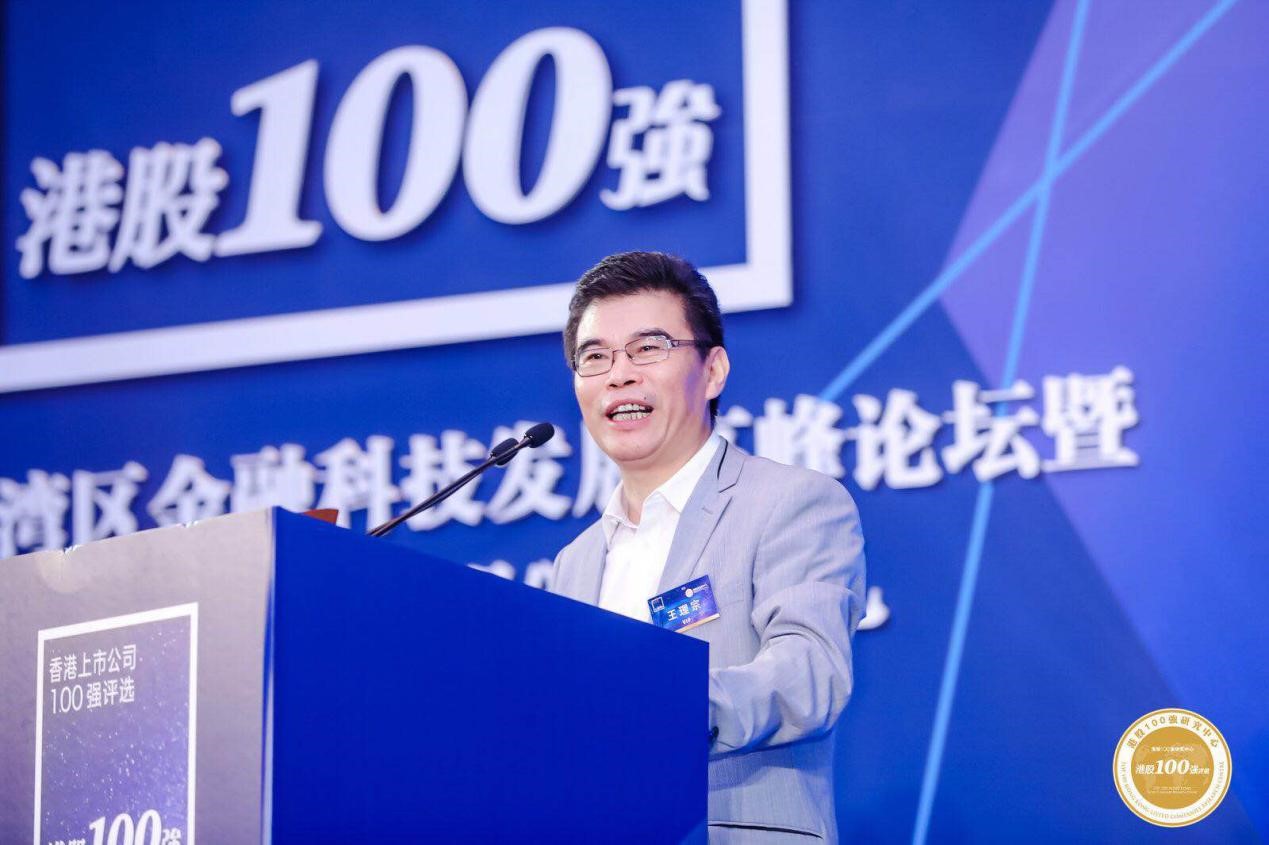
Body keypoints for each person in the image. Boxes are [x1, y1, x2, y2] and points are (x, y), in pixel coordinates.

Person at [550, 251, 866, 842]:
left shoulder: (791, 502)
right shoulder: (576, 561)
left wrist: (668, 705)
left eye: (648, 348)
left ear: (714, 370)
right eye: (595, 357)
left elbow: (810, 673)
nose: (619, 374)